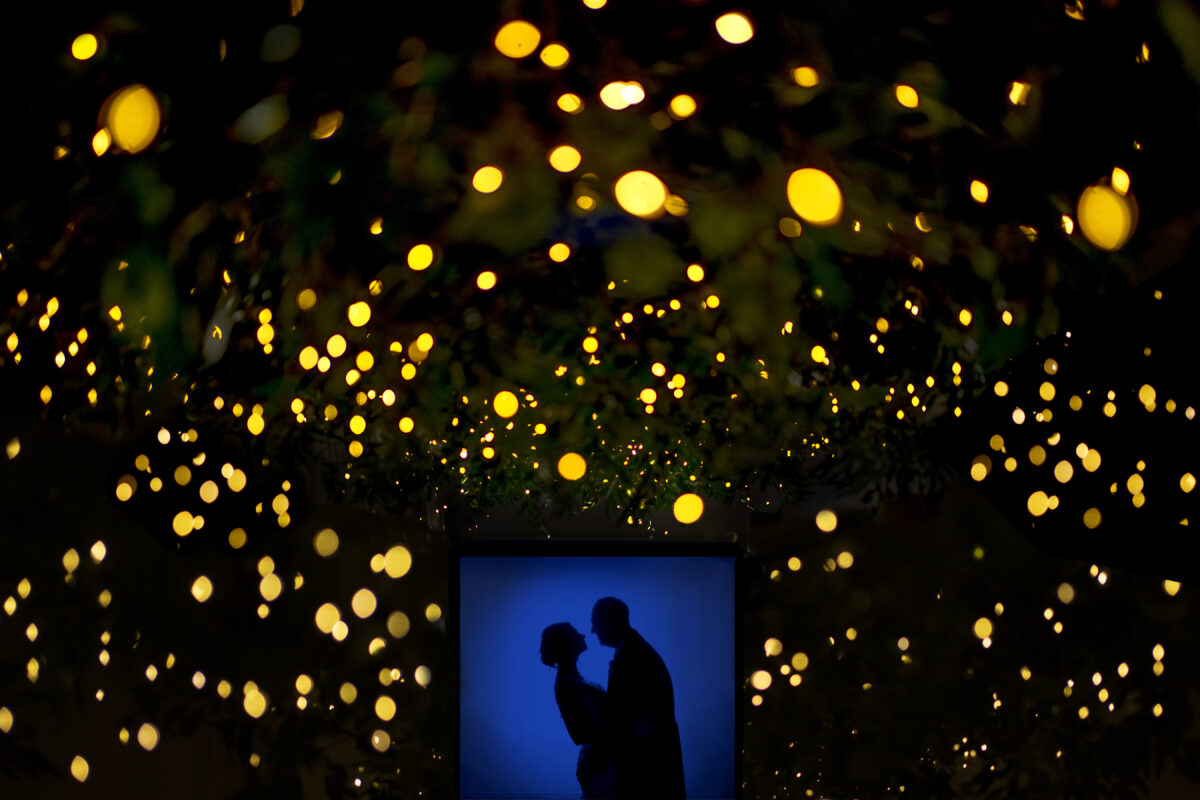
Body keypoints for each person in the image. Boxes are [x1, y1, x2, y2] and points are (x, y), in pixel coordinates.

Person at [590, 597, 686, 799]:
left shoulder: (633, 656)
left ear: (612, 623)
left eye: (596, 623)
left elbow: (623, 713)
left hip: (647, 766)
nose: (592, 630)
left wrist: (596, 760)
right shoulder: (635, 651)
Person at [540, 622, 616, 799]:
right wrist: (627, 731)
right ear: (565, 644)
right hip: (601, 763)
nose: (583, 635)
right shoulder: (564, 684)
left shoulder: (573, 679)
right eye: (576, 633)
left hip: (603, 759)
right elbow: (578, 734)